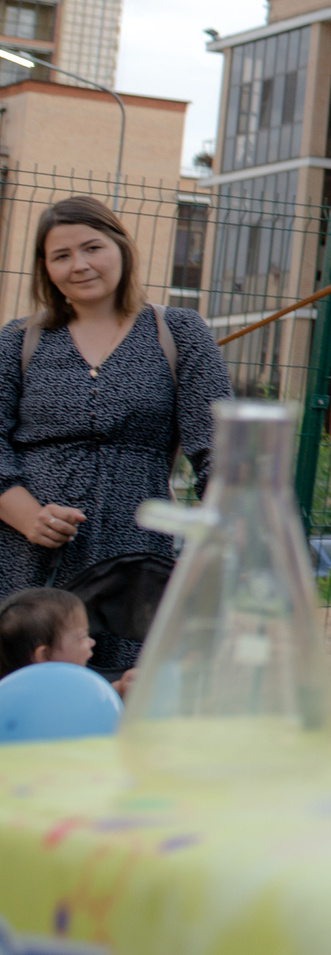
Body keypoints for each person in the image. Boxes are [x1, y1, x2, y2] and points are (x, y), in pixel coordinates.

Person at [0, 196, 229, 675]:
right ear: (45, 269)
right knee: (27, 691)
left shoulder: (179, 333)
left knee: (129, 692)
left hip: (134, 562)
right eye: (60, 256)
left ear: (122, 249)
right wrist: (28, 516)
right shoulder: (17, 341)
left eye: (92, 247)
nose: (79, 265)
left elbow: (219, 452)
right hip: (28, 560)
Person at [0, 585, 128, 694]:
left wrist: (119, 689)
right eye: (82, 637)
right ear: (44, 655)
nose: (92, 642)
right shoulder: (49, 699)